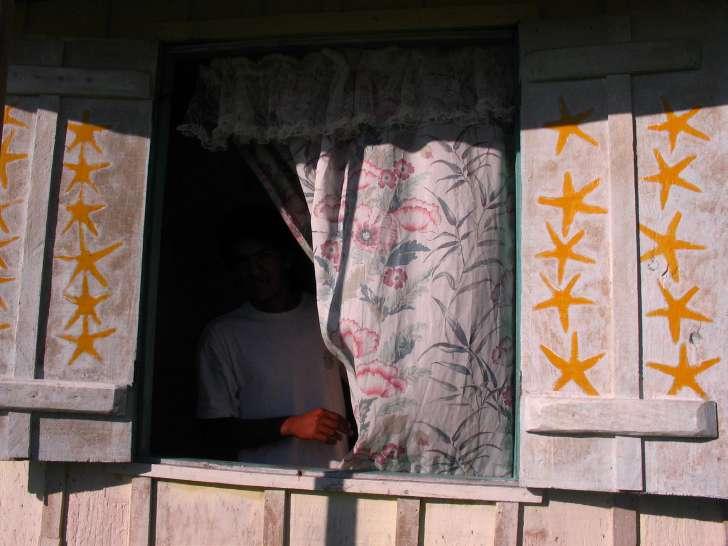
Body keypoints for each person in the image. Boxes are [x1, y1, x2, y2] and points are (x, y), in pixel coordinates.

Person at [196, 206, 351, 467]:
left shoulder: (327, 317)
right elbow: (214, 430)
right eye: (243, 262)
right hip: (263, 482)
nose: (255, 270)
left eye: (263, 257)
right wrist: (290, 426)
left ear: (285, 260)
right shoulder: (223, 335)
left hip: (335, 477)